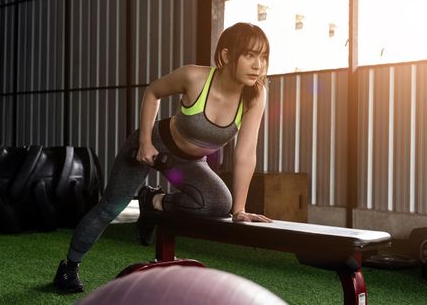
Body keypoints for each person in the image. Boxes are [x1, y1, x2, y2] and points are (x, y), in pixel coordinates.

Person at [53, 22, 273, 293]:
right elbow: (153, 92)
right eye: (250, 55)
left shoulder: (255, 94)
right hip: (155, 144)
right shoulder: (194, 76)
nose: (258, 65)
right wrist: (145, 142)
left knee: (220, 203)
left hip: (189, 162)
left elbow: (246, 151)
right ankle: (69, 267)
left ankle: (152, 201)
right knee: (112, 206)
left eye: (263, 57)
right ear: (227, 56)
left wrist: (239, 210)